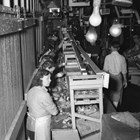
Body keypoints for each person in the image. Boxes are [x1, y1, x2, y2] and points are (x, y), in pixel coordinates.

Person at [26, 69, 58, 140]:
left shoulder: (31, 90)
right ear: (40, 79)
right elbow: (54, 112)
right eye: (47, 78)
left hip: (31, 124)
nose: (50, 80)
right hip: (41, 125)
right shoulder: (44, 94)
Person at [103, 41, 127, 109]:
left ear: (111, 47)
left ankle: (110, 110)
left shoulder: (107, 57)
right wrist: (125, 80)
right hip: (119, 78)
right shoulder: (122, 58)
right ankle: (115, 109)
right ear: (118, 48)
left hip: (110, 77)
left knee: (109, 94)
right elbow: (124, 71)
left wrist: (104, 81)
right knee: (117, 96)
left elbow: (105, 70)